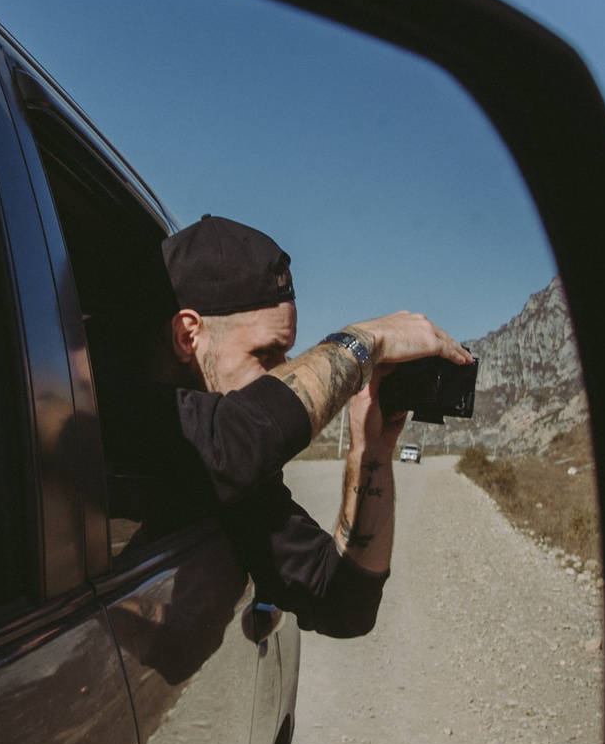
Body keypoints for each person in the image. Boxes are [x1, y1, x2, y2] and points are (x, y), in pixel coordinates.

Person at [147, 214, 472, 638]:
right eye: (266, 354)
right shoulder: (95, 404)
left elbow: (344, 604)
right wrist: (364, 341)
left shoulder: (242, 483)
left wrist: (370, 451)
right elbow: (231, 440)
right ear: (188, 336)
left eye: (287, 354)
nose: (279, 375)